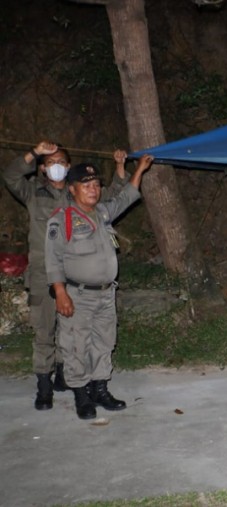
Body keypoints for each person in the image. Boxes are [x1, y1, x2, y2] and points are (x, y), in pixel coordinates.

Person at [1, 142, 129, 411]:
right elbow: (11, 175)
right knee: (45, 329)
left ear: (69, 168)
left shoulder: (78, 194)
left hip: (74, 273)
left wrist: (120, 168)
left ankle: (65, 376)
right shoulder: (33, 192)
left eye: (61, 162)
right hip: (42, 272)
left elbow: (112, 198)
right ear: (43, 168)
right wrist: (34, 152)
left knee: (72, 333)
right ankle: (44, 387)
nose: (55, 166)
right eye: (50, 162)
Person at [45, 154, 153, 420]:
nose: (93, 189)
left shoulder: (103, 212)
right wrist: (60, 293)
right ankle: (81, 395)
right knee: (76, 345)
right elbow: (52, 259)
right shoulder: (62, 219)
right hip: (77, 295)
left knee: (104, 342)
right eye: (86, 184)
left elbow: (127, 197)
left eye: (96, 184)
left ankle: (100, 389)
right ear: (72, 189)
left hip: (106, 293)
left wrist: (139, 169)